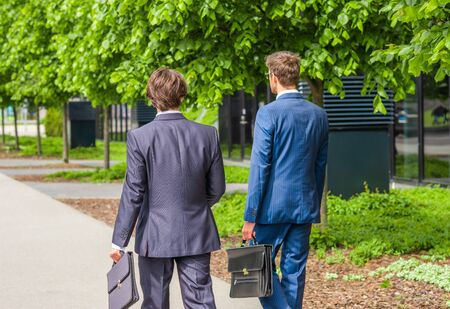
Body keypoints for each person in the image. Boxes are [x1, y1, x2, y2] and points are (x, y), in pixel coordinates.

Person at [109, 68, 225, 309]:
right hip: (197, 231)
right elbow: (217, 188)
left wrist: (119, 241)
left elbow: (134, 191)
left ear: (151, 98)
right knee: (200, 302)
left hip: (155, 234)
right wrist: (194, 206)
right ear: (182, 95)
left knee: (155, 303)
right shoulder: (208, 135)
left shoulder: (140, 137)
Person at [242, 51, 329, 309]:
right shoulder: (319, 115)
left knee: (259, 268)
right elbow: (319, 166)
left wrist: (250, 215)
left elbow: (260, 167)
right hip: (303, 208)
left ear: (274, 77)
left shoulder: (268, 114)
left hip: (270, 210)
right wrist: (312, 203)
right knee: (294, 273)